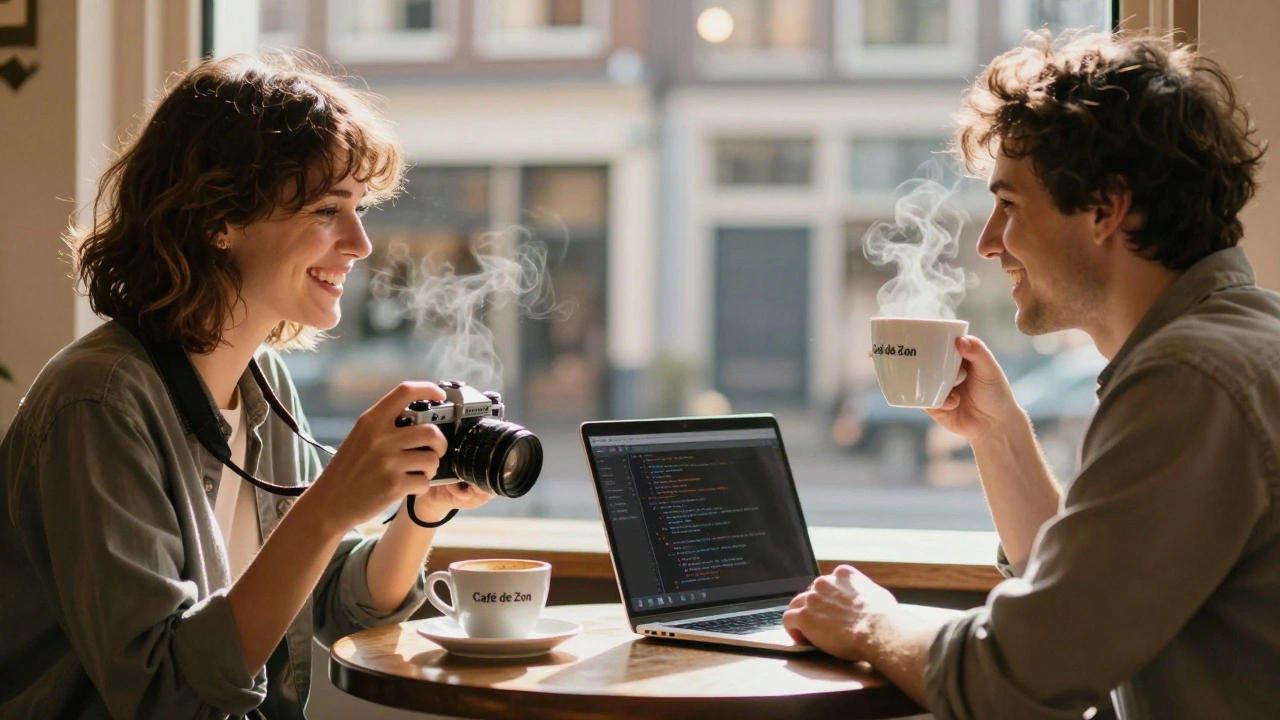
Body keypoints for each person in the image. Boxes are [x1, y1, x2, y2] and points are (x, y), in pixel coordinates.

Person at [783, 31, 1280, 720]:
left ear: (1104, 208)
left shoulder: (1191, 378)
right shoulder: (1238, 342)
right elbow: (1090, 604)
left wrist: (870, 621)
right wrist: (997, 435)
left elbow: (1021, 677)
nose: (989, 242)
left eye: (1009, 206)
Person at [0, 53, 494, 719]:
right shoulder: (99, 403)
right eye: (328, 209)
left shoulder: (264, 386)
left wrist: (420, 509)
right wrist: (329, 505)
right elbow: (164, 694)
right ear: (219, 220)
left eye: (359, 209)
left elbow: (333, 602)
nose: (360, 243)